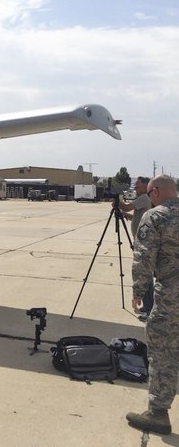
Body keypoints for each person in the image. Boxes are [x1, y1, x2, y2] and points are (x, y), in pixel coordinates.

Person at [128, 175, 179, 434]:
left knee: (163, 351)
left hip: (172, 297)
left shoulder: (156, 216)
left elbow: (144, 257)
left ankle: (158, 413)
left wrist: (138, 290)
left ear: (156, 192)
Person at [123, 177, 156, 315]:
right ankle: (148, 306)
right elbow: (138, 217)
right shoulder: (143, 198)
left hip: (143, 243)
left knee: (144, 274)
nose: (135, 188)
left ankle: (148, 308)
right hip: (141, 241)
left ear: (145, 186)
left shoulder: (143, 198)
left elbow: (126, 206)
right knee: (145, 274)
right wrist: (127, 216)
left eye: (137, 186)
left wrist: (116, 200)